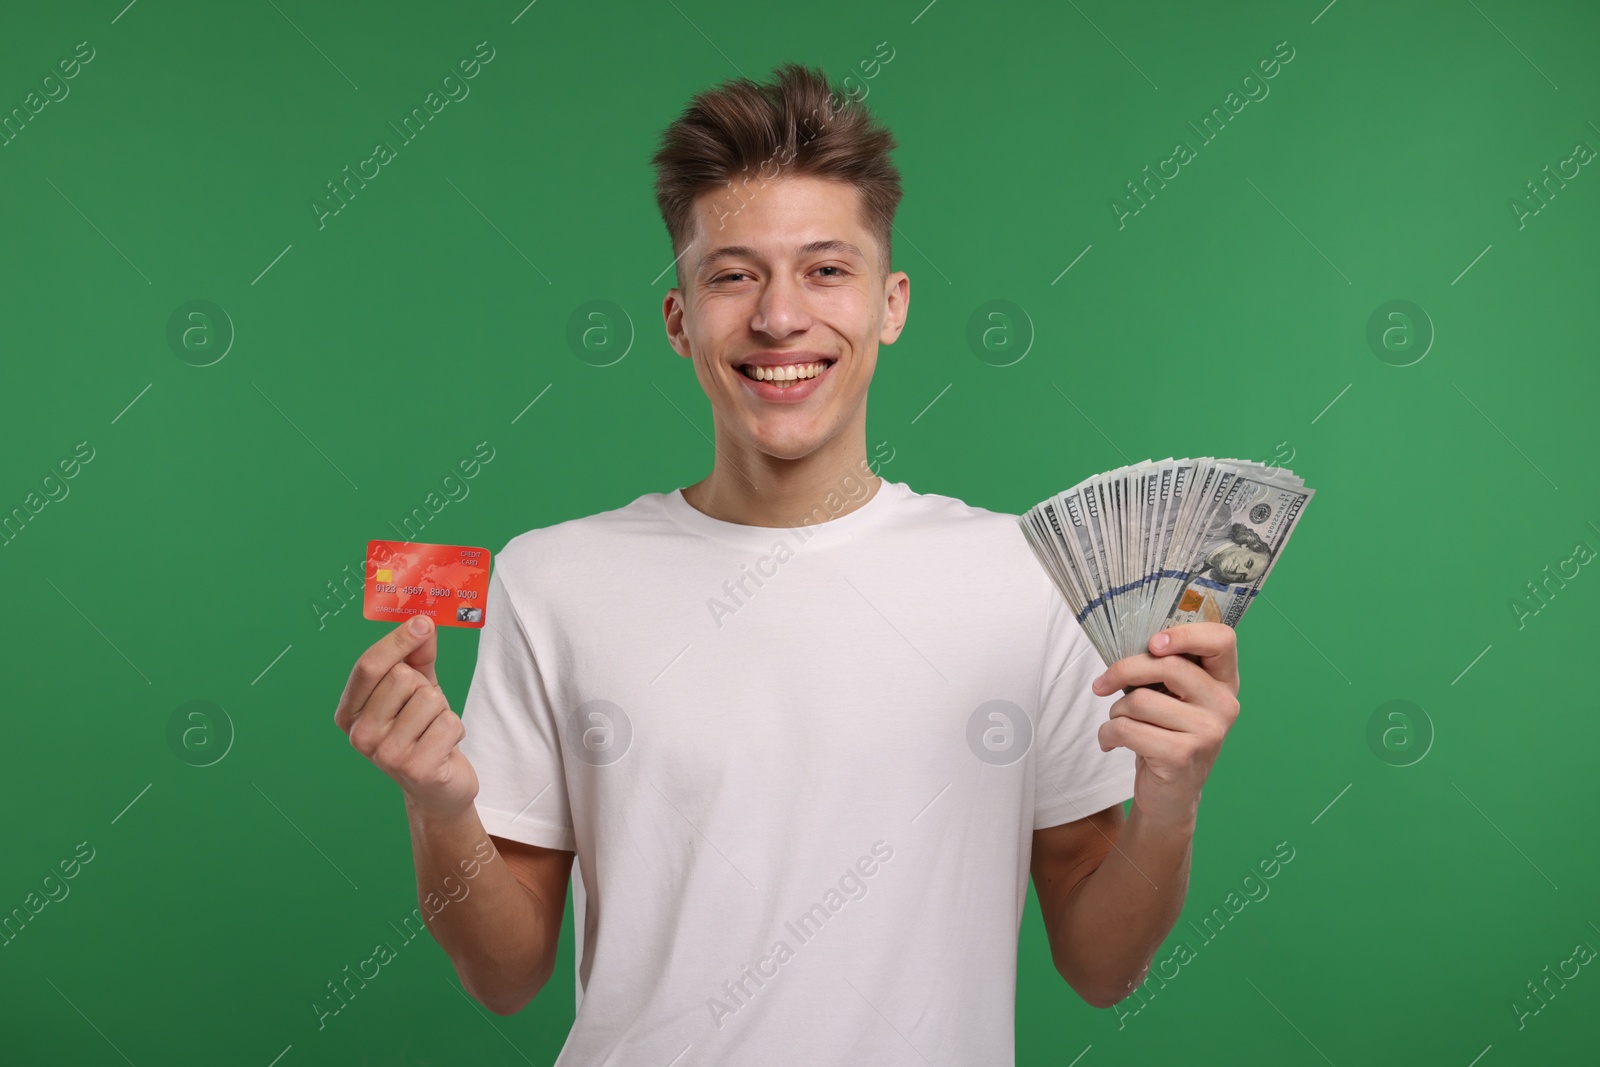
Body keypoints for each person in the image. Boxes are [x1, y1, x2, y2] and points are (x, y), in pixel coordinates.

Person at [333, 62, 1242, 1064]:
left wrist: (1170, 799)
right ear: (679, 320)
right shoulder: (552, 578)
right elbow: (504, 975)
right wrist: (438, 804)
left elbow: (1100, 964)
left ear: (889, 304)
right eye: (732, 273)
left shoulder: (1024, 575)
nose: (777, 317)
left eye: (825, 268)